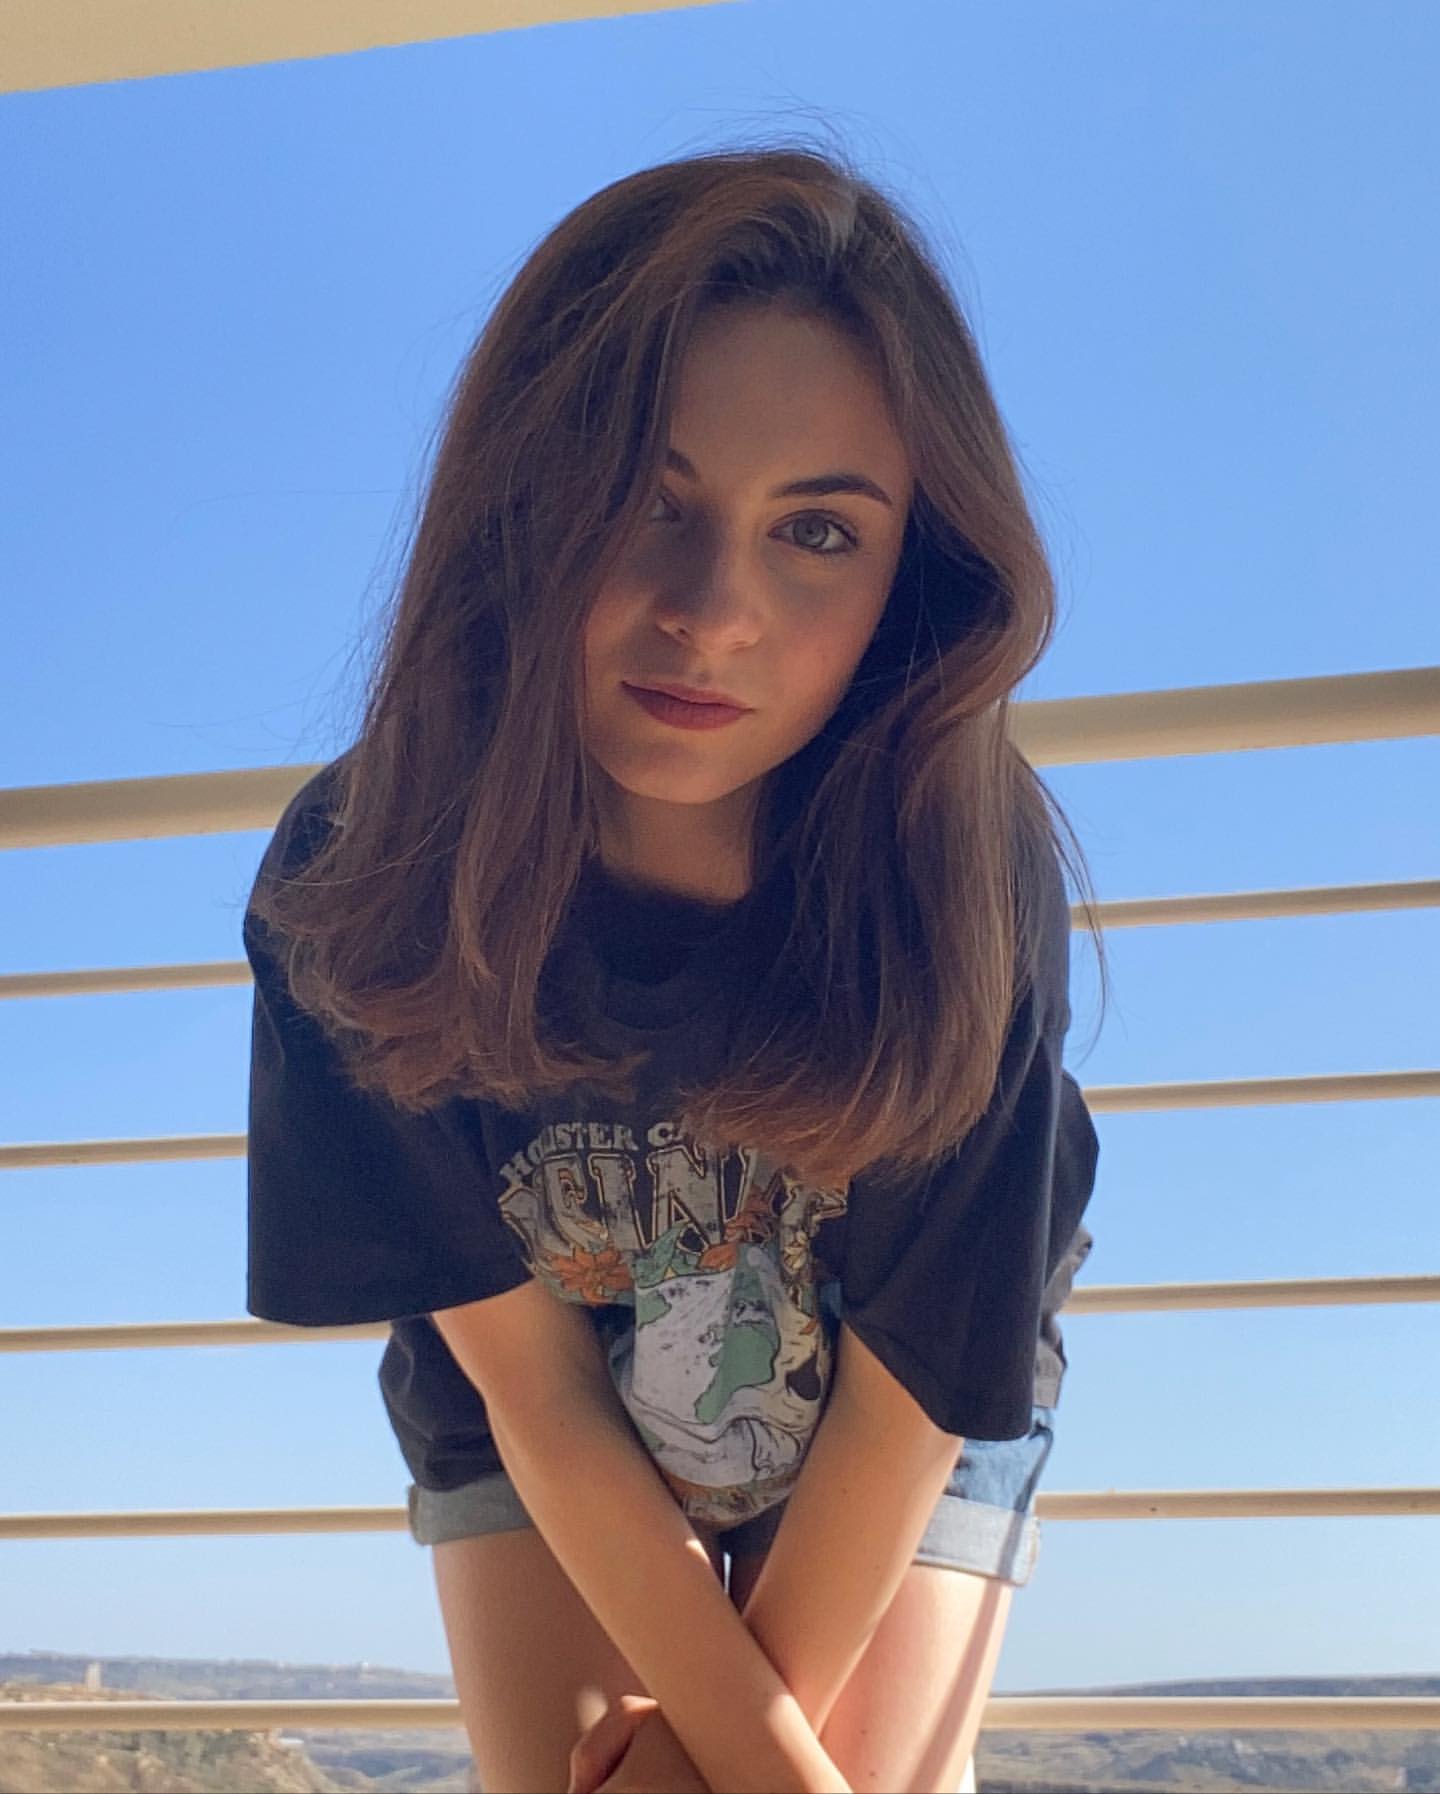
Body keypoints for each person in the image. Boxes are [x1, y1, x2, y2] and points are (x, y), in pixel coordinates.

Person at [243, 139, 1106, 1794]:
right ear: (522, 495)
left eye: (819, 531)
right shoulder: (362, 875)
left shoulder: (964, 869)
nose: (713, 613)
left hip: (897, 1407)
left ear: (911, 578)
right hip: (543, 1414)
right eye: (649, 497)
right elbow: (536, 1397)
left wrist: (745, 1761)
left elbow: (915, 1393)